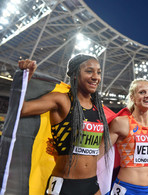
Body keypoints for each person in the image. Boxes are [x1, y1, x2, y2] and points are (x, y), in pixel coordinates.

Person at [18, 54, 110, 195]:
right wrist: (24, 79)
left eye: (98, 72)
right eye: (89, 71)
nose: (95, 77)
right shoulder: (61, 100)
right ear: (74, 75)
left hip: (92, 184)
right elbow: (21, 109)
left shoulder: (98, 108)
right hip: (64, 185)